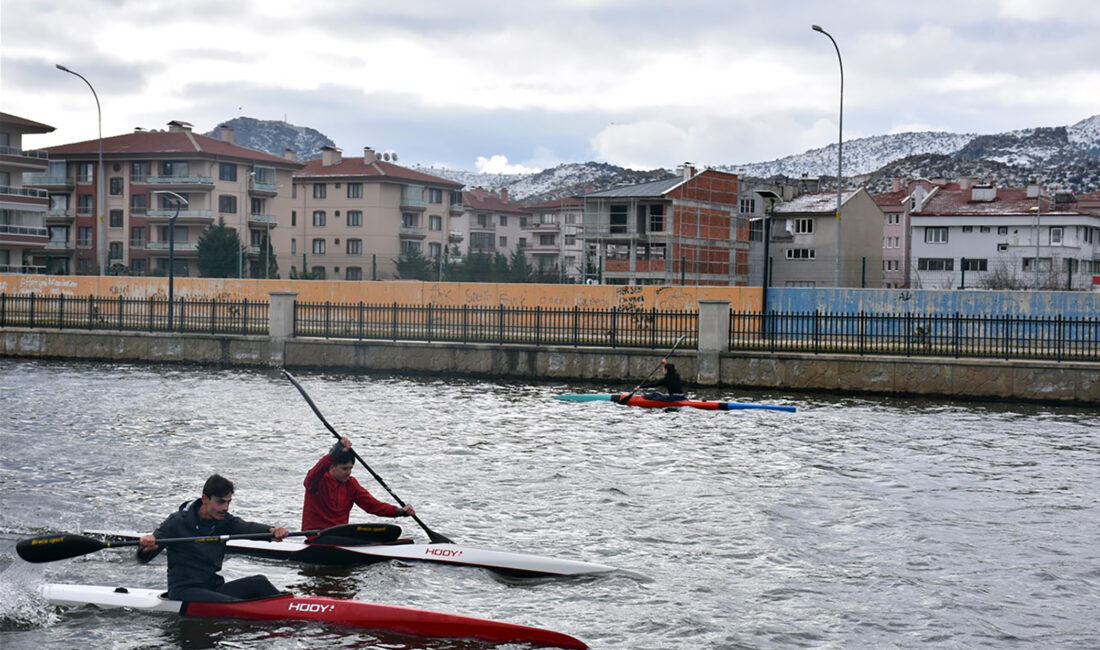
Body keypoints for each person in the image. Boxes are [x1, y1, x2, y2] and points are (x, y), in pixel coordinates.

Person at [137, 474, 289, 602]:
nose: (225, 508)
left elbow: (247, 527)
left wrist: (272, 531)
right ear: (205, 499)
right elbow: (144, 557)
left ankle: (291, 605)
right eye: (220, 502)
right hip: (184, 591)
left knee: (259, 582)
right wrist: (145, 548)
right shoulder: (177, 521)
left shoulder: (223, 521)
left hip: (213, 586)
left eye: (228, 502)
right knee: (233, 604)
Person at [302, 437, 414, 542]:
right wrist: (332, 454)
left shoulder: (351, 484)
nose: (348, 472)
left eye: (350, 468)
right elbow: (313, 475)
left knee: (392, 532)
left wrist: (399, 511)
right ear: (332, 467)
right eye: (344, 468)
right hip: (317, 536)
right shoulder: (316, 482)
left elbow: (373, 505)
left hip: (341, 534)